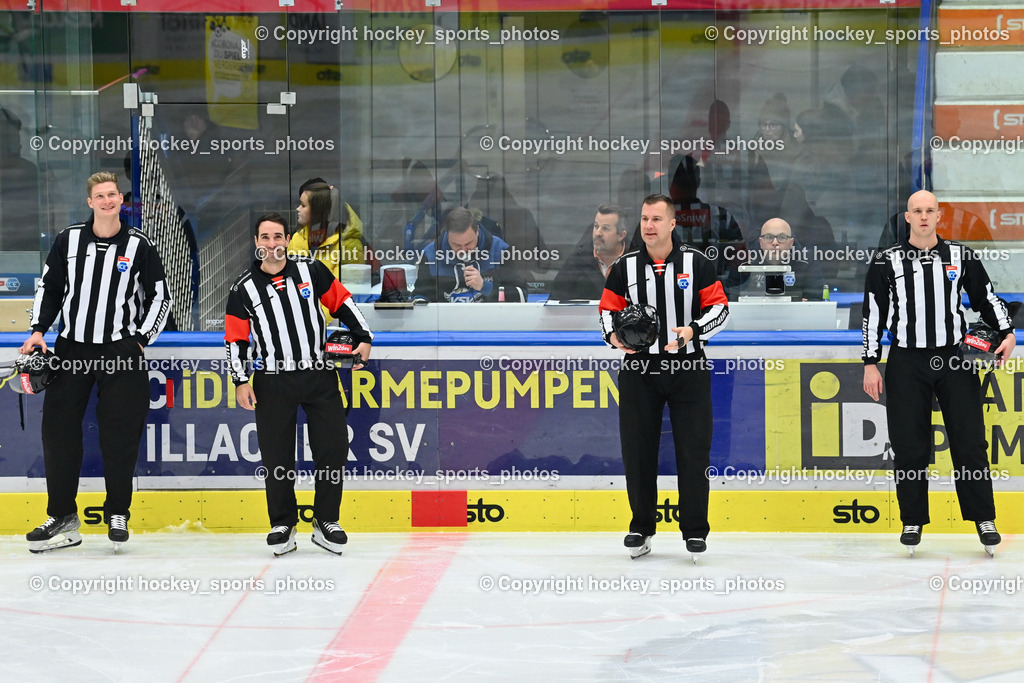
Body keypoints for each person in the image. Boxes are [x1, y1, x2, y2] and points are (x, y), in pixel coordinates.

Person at [22, 171, 171, 553]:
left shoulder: (139, 244)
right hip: (72, 350)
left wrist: (140, 341)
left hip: (121, 353)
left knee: (120, 434)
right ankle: (62, 516)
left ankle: (118, 511)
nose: (107, 201)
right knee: (58, 431)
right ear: (90, 202)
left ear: (121, 200)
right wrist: (38, 330)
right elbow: (50, 288)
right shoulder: (68, 240)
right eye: (100, 196)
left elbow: (160, 296)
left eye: (112, 194)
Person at [862, 190, 1014, 556]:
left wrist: (1007, 332)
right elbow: (872, 313)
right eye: (917, 210)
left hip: (955, 359)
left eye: (930, 210)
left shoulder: (961, 256)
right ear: (908, 217)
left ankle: (984, 519)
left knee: (970, 442)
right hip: (906, 361)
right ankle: (912, 520)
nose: (924, 216)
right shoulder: (886, 260)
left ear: (938, 216)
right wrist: (870, 362)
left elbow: (986, 298)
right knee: (908, 445)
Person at [225, 212, 372, 556]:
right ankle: (282, 523)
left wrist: (364, 336)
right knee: (276, 455)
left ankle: (326, 520)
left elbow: (343, 302)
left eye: (278, 236)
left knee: (333, 449)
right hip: (272, 381)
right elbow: (236, 339)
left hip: (319, 376)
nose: (272, 243)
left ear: (287, 240)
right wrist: (240, 379)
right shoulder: (243, 288)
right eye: (265, 237)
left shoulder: (311, 270)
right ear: (256, 242)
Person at [599, 194, 729, 560]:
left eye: (656, 219)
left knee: (693, 450)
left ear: (672, 224)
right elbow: (607, 310)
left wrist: (693, 331)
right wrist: (612, 337)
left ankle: (695, 531)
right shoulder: (624, 267)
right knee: (637, 451)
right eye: (644, 218)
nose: (649, 225)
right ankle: (641, 528)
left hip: (688, 369)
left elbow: (720, 309)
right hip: (639, 371)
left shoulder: (696, 262)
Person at [414, 206, 525, 302]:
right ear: (447, 235)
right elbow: (420, 296)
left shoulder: (499, 250)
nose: (463, 250)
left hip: (490, 319)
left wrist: (485, 286)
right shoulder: (430, 255)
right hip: (446, 319)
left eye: (468, 243)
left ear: (477, 231)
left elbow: (521, 296)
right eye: (456, 245)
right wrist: (420, 301)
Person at [288, 179, 368, 280]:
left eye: (303, 205)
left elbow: (350, 284)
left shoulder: (349, 244)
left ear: (317, 211)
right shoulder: (297, 238)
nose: (298, 209)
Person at [728, 217, 825, 301]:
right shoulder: (744, 262)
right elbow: (732, 299)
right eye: (769, 237)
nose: (775, 243)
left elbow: (815, 301)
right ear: (761, 242)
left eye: (782, 237)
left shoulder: (807, 262)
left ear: (791, 243)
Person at [548, 204, 628, 301]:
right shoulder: (577, 260)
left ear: (621, 235)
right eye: (596, 226)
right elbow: (554, 302)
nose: (598, 233)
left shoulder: (636, 261)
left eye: (605, 228)